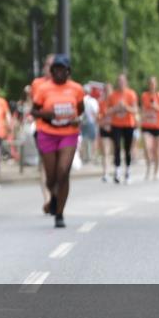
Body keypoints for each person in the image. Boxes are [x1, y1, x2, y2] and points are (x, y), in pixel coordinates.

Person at [30, 54, 85, 229]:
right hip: (47, 133)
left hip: (69, 133)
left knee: (63, 172)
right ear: (52, 71)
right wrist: (47, 114)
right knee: (51, 177)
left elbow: (80, 110)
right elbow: (34, 111)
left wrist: (77, 119)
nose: (59, 73)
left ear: (68, 71)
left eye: (63, 69)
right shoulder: (43, 89)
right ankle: (53, 197)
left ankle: (60, 213)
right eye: (56, 69)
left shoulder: (76, 89)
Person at [30, 54, 55, 207]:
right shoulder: (37, 84)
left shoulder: (66, 84)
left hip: (62, 131)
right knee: (45, 164)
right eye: (47, 65)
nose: (50, 68)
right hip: (42, 129)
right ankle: (47, 199)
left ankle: (55, 195)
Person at [107, 73, 138, 184]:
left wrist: (126, 107)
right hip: (116, 124)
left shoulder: (131, 94)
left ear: (126, 82)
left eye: (122, 81)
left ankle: (128, 171)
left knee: (127, 148)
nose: (121, 83)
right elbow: (107, 111)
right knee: (117, 147)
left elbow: (135, 110)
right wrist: (116, 108)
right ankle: (117, 171)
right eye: (119, 81)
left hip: (128, 124)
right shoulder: (112, 95)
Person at [140, 76, 159, 181]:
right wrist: (141, 116)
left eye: (153, 83)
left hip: (157, 125)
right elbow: (142, 109)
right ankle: (149, 166)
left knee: (156, 150)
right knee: (146, 146)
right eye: (150, 83)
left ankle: (155, 173)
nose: (151, 85)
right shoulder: (144, 95)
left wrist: (157, 107)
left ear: (156, 84)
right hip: (146, 125)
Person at [98, 83, 114, 181]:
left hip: (115, 128)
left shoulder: (116, 101)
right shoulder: (101, 102)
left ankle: (114, 169)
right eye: (106, 90)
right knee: (105, 151)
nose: (108, 92)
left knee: (113, 150)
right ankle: (105, 173)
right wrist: (102, 123)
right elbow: (98, 117)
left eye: (109, 89)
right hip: (104, 128)